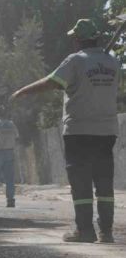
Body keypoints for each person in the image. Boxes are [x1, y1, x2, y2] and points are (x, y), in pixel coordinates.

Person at [10, 18, 119, 244]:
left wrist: (23, 91)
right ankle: (106, 232)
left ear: (78, 40)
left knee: (81, 182)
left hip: (79, 131)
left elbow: (52, 82)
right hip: (107, 132)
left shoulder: (75, 61)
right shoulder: (112, 62)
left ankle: (85, 231)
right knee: (104, 183)